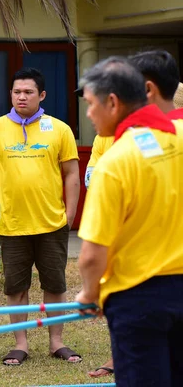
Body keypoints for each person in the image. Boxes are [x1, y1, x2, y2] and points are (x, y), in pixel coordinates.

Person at [77, 57, 183, 387]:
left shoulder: (116, 162)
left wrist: (89, 294)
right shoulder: (179, 139)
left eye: (91, 104)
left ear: (113, 102)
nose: (88, 114)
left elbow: (93, 255)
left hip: (138, 299)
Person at [0, 67, 81, 366]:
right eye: (17, 91)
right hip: (13, 223)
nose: (21, 96)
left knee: (54, 286)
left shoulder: (59, 129)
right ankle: (21, 343)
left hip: (52, 222)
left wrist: (68, 216)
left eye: (28, 92)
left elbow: (71, 174)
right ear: (11, 95)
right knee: (16, 287)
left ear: (41, 95)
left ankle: (56, 341)